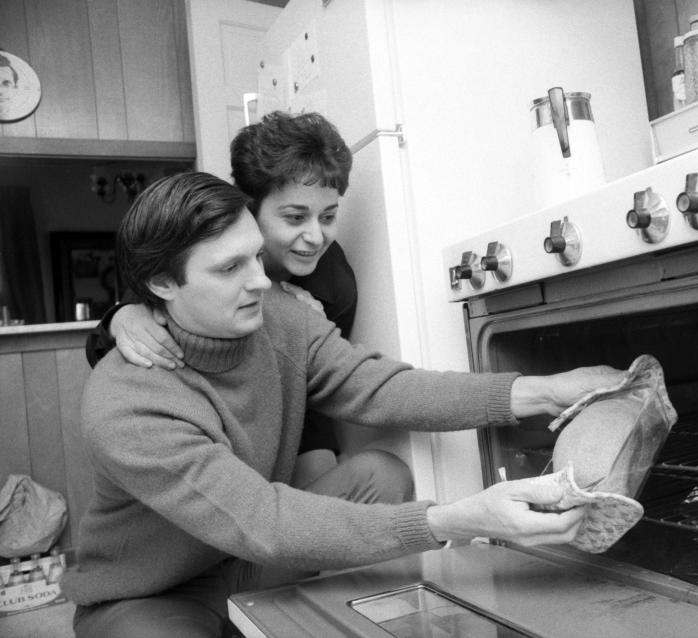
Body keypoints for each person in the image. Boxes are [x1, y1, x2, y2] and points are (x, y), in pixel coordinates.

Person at [61, 171, 625, 638]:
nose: (260, 281)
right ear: (161, 283)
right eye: (230, 268)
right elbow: (262, 517)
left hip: (249, 564)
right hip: (154, 592)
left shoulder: (280, 318)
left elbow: (380, 386)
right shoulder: (127, 402)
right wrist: (458, 519)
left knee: (379, 474)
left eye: (257, 257)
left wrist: (547, 389)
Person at [86, 111, 356, 456]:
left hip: (285, 426)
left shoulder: (335, 286)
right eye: (295, 217)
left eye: (329, 217)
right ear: (249, 208)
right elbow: (102, 350)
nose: (315, 237)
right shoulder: (195, 247)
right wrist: (123, 317)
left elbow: (324, 389)